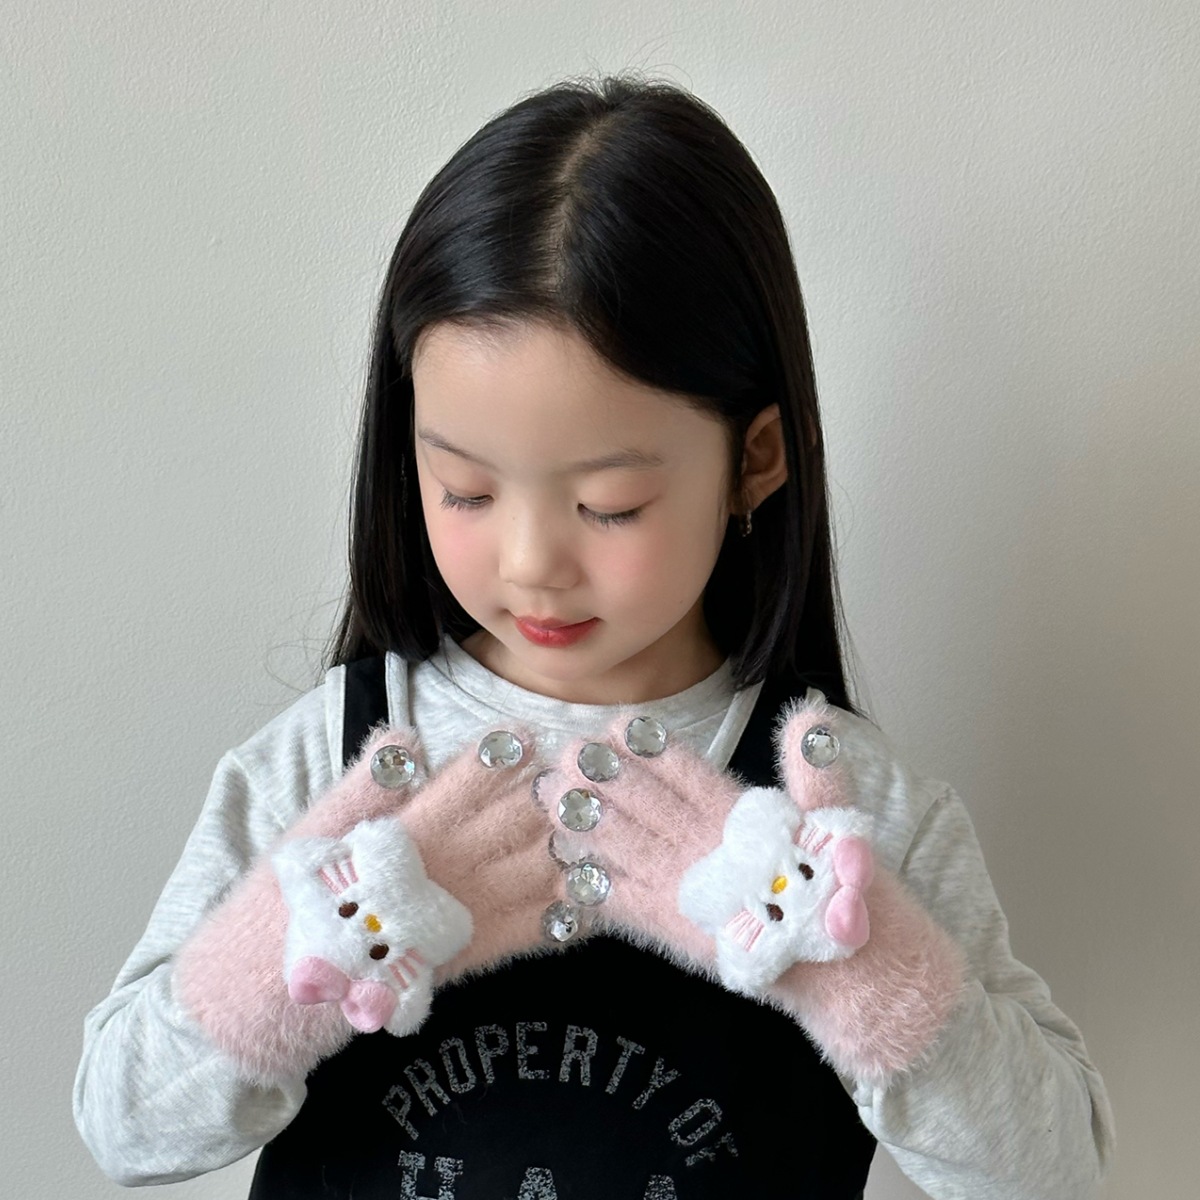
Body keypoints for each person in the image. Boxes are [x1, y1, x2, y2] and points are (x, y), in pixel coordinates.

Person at [73, 75, 1113, 1199]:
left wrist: (856, 970)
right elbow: (126, 1129)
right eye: (466, 490)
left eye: (609, 504)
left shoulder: (844, 813)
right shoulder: (334, 756)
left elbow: (1049, 1170)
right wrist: (312, 941)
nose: (532, 562)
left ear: (757, 458)